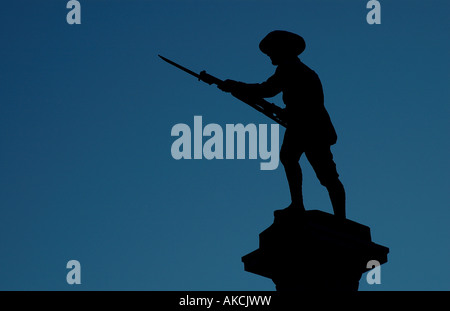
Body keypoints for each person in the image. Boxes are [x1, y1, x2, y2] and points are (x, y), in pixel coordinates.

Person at [218, 30, 346, 219]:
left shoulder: (290, 68)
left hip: (311, 127)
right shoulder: (298, 69)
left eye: (271, 51)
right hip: (302, 124)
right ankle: (301, 205)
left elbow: (267, 90)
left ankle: (334, 216)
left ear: (282, 50)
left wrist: (235, 86)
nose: (269, 55)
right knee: (291, 158)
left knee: (325, 174)